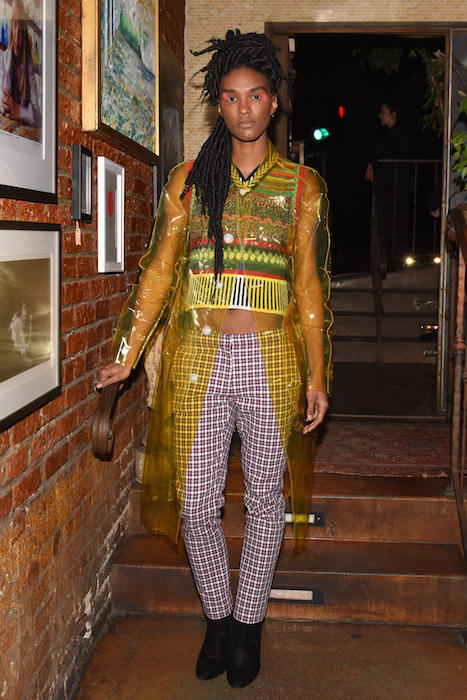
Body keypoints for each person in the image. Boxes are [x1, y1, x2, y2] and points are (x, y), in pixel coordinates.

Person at [97, 29, 332, 688]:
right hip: (199, 358)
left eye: (255, 95)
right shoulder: (188, 181)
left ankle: (248, 625)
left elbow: (309, 287)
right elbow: (155, 273)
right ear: (217, 104)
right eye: (230, 96)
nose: (244, 108)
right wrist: (125, 354)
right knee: (196, 505)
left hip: (271, 360)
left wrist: (317, 375)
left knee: (264, 502)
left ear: (274, 101)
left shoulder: (302, 187)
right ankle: (218, 618)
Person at [365, 101, 412, 261]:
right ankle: (393, 258)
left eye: (383, 113)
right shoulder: (394, 133)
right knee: (391, 222)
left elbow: (378, 149)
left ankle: (396, 259)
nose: (380, 116)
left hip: (397, 186)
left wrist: (371, 163)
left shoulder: (397, 132)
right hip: (394, 185)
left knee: (395, 223)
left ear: (393, 115)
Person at [0, 0, 41, 128]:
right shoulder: (3, 58)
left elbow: (37, 116)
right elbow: (4, 107)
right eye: (14, 24)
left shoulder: (28, 65)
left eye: (21, 27)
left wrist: (19, 111)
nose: (17, 34)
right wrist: (9, 58)